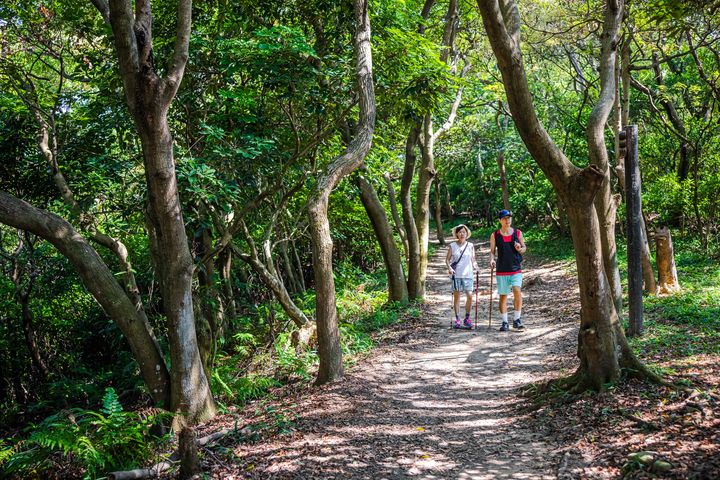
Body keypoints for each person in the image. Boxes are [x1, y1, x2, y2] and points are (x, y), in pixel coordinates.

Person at [489, 209, 527, 331]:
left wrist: (520, 249)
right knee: (503, 296)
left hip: (516, 268)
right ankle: (505, 322)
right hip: (502, 269)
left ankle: (517, 319)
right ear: (500, 220)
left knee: (517, 290)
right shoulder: (495, 235)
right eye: (505, 218)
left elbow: (524, 248)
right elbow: (492, 252)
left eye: (509, 218)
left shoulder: (518, 233)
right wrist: (492, 260)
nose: (508, 220)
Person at [446, 224, 479, 328]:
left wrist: (476, 267)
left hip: (468, 275)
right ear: (456, 234)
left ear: (467, 233)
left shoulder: (470, 245)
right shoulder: (452, 245)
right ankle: (457, 319)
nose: (462, 234)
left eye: (464, 232)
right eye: (460, 232)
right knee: (457, 297)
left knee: (469, 295)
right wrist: (449, 268)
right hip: (456, 275)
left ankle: (467, 318)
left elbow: (473, 259)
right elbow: (447, 260)